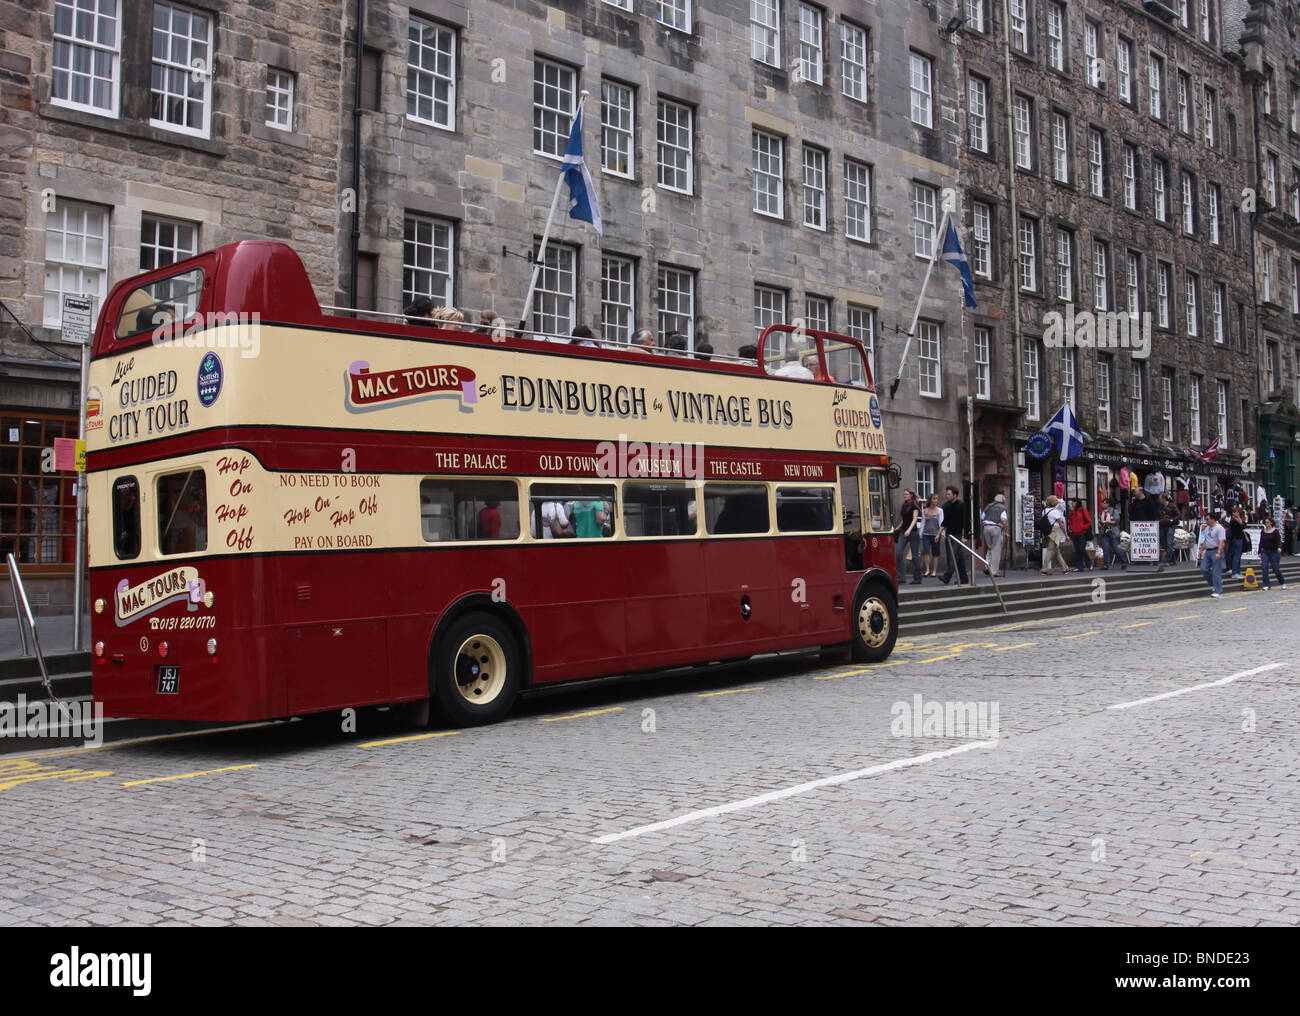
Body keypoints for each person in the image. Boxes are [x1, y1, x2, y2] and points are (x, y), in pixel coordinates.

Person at [939, 485, 969, 585]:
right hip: (949, 533)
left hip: (958, 534)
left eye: (949, 494)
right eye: (947, 494)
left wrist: (964, 536)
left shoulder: (961, 505)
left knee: (954, 555)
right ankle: (964, 578)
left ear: (955, 495)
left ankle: (947, 576)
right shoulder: (946, 506)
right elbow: (945, 521)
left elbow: (965, 521)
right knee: (958, 556)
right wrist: (939, 533)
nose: (947, 496)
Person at [894, 488, 922, 584]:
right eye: (904, 494)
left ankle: (917, 578)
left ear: (911, 495)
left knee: (914, 556)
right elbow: (904, 519)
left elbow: (914, 519)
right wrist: (898, 528)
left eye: (906, 494)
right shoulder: (904, 505)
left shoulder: (914, 505)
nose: (905, 496)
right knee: (898, 553)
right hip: (903, 531)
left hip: (913, 532)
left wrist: (909, 530)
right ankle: (901, 576)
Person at [1198, 509, 1226, 597]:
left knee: (1216, 571)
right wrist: (1201, 550)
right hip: (1208, 551)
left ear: (1213, 519)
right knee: (1203, 569)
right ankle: (1214, 583)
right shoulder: (1207, 529)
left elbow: (1221, 541)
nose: (1206, 521)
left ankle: (1218, 591)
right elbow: (1206, 540)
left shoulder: (1219, 528)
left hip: (1216, 550)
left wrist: (1219, 552)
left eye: (1207, 519)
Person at [1040, 495, 1072, 575]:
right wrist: (1066, 534)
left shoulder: (1044, 511)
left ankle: (1065, 568)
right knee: (1050, 551)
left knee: (1057, 551)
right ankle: (1044, 569)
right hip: (1055, 532)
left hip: (1047, 532)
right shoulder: (1055, 512)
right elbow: (1061, 524)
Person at [981, 492, 1008, 577]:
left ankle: (987, 565)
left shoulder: (988, 506)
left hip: (986, 527)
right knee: (996, 549)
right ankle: (993, 571)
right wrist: (1007, 531)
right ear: (1003, 500)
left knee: (990, 547)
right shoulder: (1002, 508)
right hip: (996, 527)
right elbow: (1003, 520)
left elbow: (982, 517)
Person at [1099, 497, 1127, 570]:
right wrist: (1100, 524)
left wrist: (1107, 522)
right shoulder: (1101, 512)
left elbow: (1116, 521)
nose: (1103, 504)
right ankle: (1106, 565)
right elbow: (1099, 520)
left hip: (1113, 532)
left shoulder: (1114, 511)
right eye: (1102, 503)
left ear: (1108, 504)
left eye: (1104, 503)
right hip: (1104, 532)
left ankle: (1123, 562)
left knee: (1116, 548)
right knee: (1105, 548)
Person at [1259, 516, 1287, 589]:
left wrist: (1279, 547)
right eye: (1265, 522)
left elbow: (1279, 541)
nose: (1266, 524)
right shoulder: (1263, 532)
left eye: (1268, 522)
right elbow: (1261, 542)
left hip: (1274, 551)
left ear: (1271, 523)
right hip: (1265, 551)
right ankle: (1266, 584)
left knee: (1275, 568)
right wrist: (1259, 551)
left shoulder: (1275, 531)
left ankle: (1282, 582)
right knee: (1264, 567)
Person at [920, 493, 943, 577]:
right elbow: (923, 523)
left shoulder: (940, 511)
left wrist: (940, 533)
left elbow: (941, 522)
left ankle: (934, 571)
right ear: (930, 500)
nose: (935, 501)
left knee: (935, 553)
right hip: (926, 533)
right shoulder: (925, 510)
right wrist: (920, 534)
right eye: (934, 499)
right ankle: (927, 570)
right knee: (926, 551)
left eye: (936, 499)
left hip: (935, 534)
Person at [1068, 498, 1094, 570]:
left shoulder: (1083, 511)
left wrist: (1083, 527)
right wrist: (1071, 528)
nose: (1072, 504)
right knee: (1077, 550)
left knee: (1082, 549)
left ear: (1076, 503)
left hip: (1082, 533)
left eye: (1073, 502)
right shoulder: (1073, 512)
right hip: (1074, 533)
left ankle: (1089, 563)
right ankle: (1079, 566)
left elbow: (1089, 521)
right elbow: (1070, 522)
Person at [1157, 492, 1179, 571]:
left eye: (1160, 498)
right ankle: (1173, 560)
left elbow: (1178, 515)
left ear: (1163, 499)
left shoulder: (1172, 506)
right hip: (1163, 526)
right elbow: (1158, 515)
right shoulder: (1160, 507)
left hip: (1170, 526)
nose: (1159, 500)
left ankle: (1167, 560)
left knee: (1169, 542)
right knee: (1164, 543)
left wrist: (1172, 520)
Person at [1226, 504, 1246, 579]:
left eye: (1238, 512)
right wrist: (1241, 520)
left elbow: (1243, 526)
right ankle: (1235, 572)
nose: (1238, 514)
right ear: (1233, 513)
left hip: (1239, 538)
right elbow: (1241, 526)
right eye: (1237, 512)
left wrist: (1240, 519)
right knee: (1237, 555)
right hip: (1236, 539)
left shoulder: (1236, 520)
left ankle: (1237, 571)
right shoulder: (1233, 521)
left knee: (1239, 555)